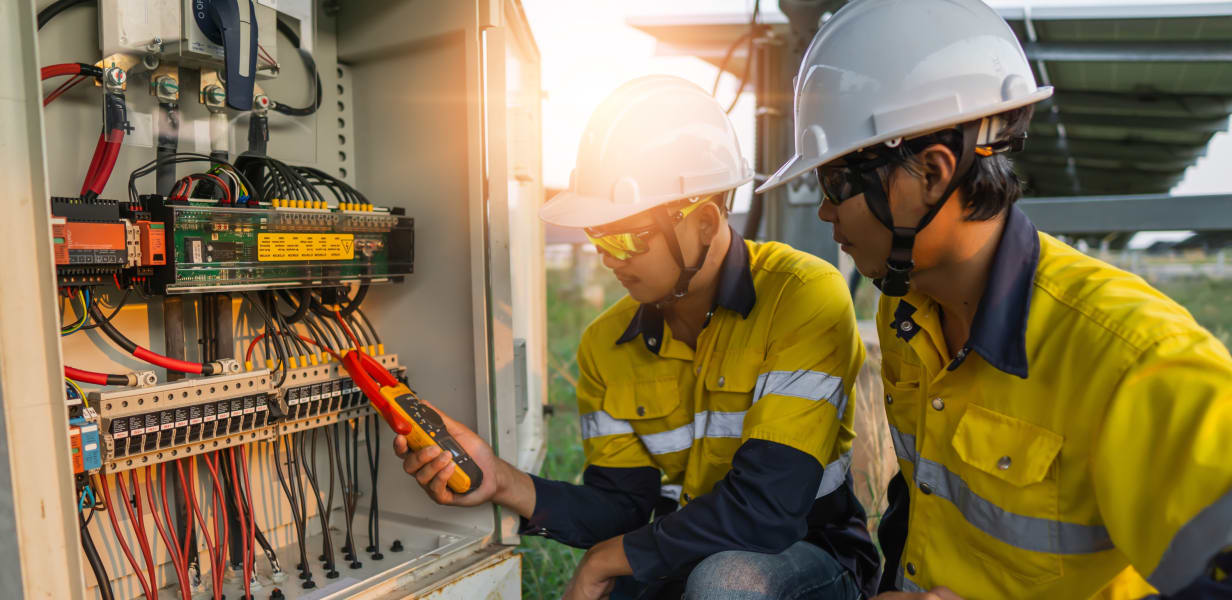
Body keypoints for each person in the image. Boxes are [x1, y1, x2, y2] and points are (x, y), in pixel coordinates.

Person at [757, 1, 1232, 598]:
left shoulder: (1133, 359)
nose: (825, 209)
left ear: (930, 173)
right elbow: (922, 500)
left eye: (834, 183)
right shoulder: (906, 310)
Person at [394, 75, 880, 599]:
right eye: (598, 235)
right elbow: (622, 509)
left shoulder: (803, 296)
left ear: (704, 223)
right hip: (682, 552)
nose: (608, 258)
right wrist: (503, 479)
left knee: (725, 583)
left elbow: (767, 510)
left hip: (803, 557)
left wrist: (606, 560)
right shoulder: (606, 345)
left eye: (626, 236)